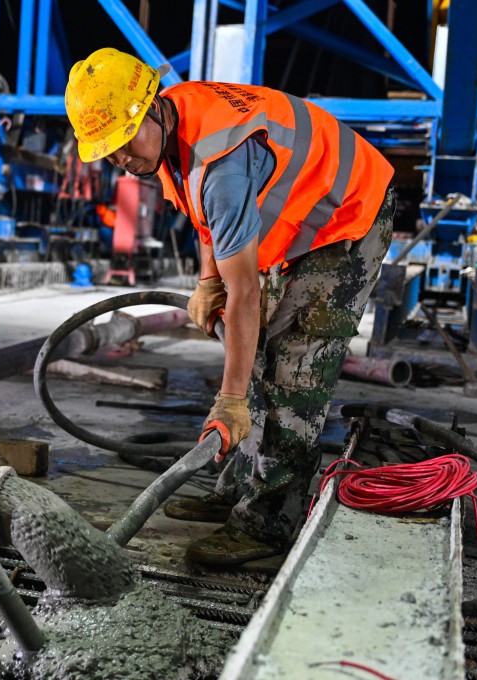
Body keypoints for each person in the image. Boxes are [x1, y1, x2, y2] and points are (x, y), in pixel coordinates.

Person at [65, 48, 395, 568]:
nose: (120, 162)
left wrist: (231, 400)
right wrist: (206, 281)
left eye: (123, 144)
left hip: (350, 214)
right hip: (309, 218)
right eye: (108, 153)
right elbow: (205, 218)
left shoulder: (221, 161)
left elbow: (245, 291)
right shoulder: (174, 125)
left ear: (151, 111)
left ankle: (270, 520)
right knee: (257, 350)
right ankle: (238, 484)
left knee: (294, 367)